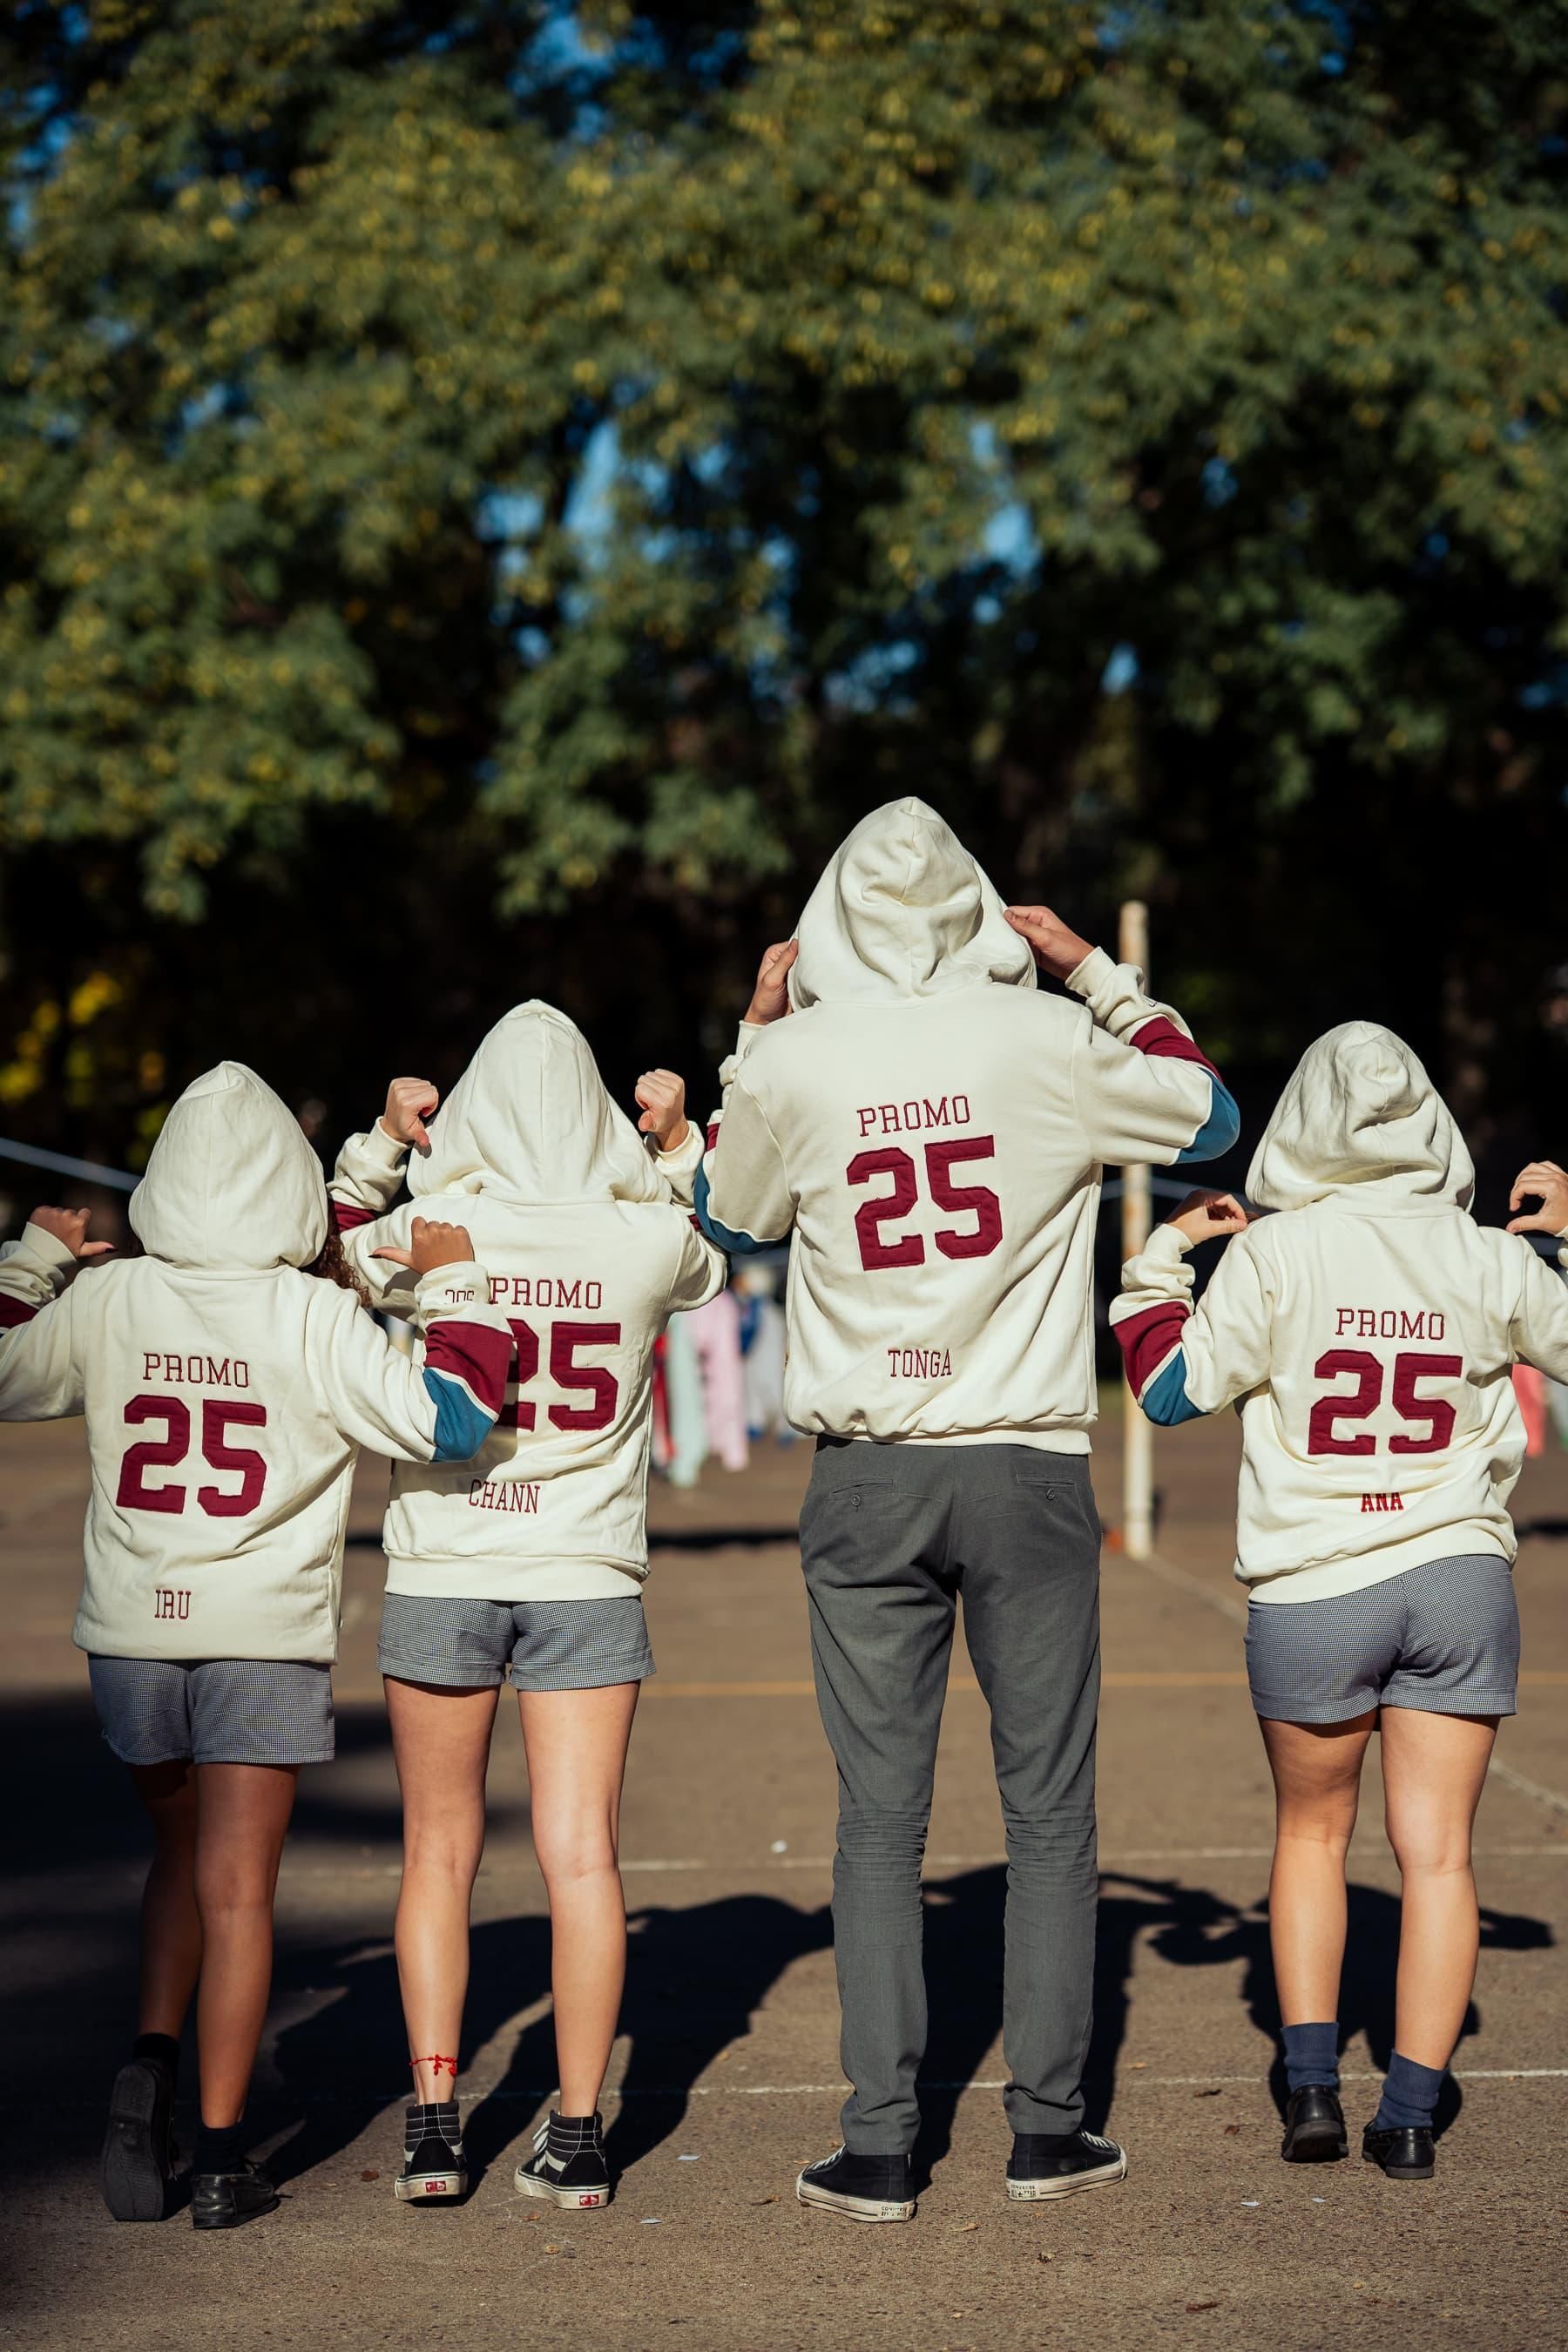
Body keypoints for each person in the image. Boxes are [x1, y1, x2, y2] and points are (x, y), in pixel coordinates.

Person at [693, 797, 1239, 2220]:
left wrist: (756, 1028)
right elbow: (1213, 1111)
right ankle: (1048, 2131)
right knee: (1048, 1806)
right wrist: (1094, 974)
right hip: (1024, 1459)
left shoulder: (798, 1058)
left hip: (866, 1469)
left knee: (879, 1819)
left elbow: (728, 1219)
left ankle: (882, 2141)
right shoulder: (1045, 1038)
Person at [0, 1064, 510, 2230]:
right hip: (261, 1635)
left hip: (130, 1634)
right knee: (241, 1893)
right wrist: (455, 1278)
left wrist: (31, 1256)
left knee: (177, 1856)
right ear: (286, 1180)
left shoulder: (113, 1299)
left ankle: (152, 2060)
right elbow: (454, 1415)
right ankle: (225, 2156)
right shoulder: (312, 1314)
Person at [1112, 1027, 1568, 2182]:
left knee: (1312, 1837)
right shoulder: (1483, 1255)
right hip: (1459, 1573)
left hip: (1316, 1582)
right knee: (1443, 1859)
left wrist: (1161, 1262)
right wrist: (1559, 1240)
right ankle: (1410, 2116)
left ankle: (1310, 2088)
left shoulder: (1273, 1256)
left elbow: (1169, 1392)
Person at [328, 1004, 724, 2212]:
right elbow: (705, 1242)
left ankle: (439, 2124)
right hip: (588, 1572)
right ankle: (581, 2129)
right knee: (583, 1858)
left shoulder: (431, 1226)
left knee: (438, 1856)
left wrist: (380, 1145)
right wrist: (667, 1151)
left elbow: (326, 1248)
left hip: (449, 1559)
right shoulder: (645, 1240)